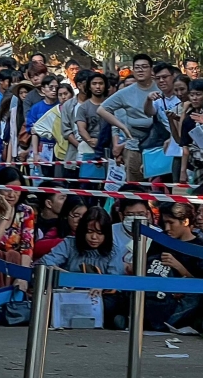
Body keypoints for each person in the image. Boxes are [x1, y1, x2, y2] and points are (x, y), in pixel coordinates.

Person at [37, 207, 129, 328]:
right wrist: (59, 272)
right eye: (90, 232)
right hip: (70, 293)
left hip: (98, 296)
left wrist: (102, 287)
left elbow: (115, 278)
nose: (94, 237)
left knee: (112, 303)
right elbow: (44, 262)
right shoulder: (69, 244)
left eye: (100, 233)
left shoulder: (113, 250)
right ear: (82, 231)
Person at [97, 54, 161, 182]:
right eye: (137, 67)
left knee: (159, 189)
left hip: (159, 146)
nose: (140, 70)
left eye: (144, 67)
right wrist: (122, 126)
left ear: (151, 69)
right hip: (134, 146)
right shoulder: (125, 92)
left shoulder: (161, 87)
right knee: (136, 189)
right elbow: (102, 109)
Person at [75, 72, 107, 162]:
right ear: (89, 87)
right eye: (94, 84)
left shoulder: (111, 104)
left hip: (109, 146)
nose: (98, 87)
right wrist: (90, 140)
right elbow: (81, 129)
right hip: (89, 147)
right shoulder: (83, 107)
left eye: (101, 83)